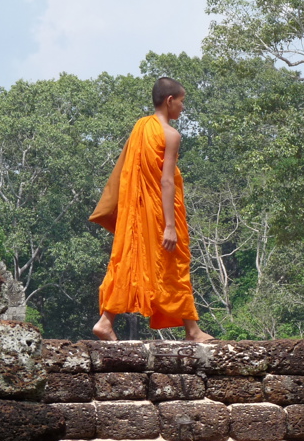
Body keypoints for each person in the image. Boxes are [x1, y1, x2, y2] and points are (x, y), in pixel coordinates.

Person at [90, 77, 213, 342]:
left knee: (128, 262)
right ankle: (192, 331)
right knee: (174, 263)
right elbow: (166, 181)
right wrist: (169, 225)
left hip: (136, 215)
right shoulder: (171, 135)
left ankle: (105, 321)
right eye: (181, 101)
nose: (183, 107)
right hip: (160, 214)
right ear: (169, 101)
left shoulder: (141, 126)